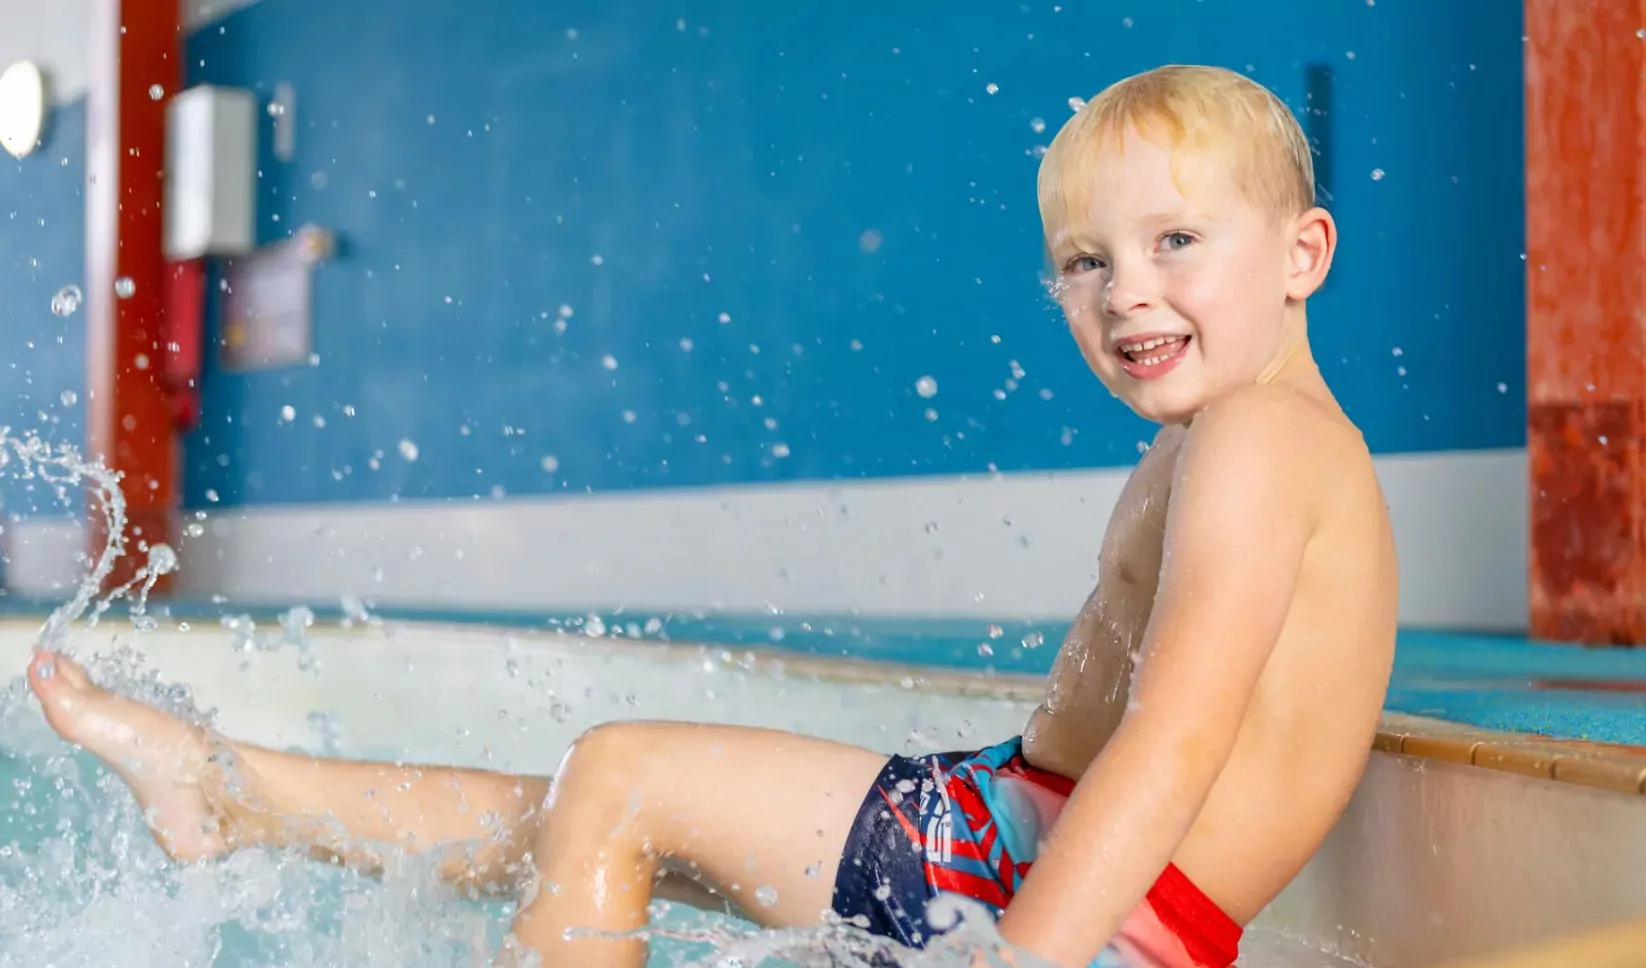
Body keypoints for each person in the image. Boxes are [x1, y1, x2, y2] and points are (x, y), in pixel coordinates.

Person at [26, 63, 1396, 968]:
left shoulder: (1262, 439)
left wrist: (1025, 960)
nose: (1125, 293)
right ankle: (242, 795)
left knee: (620, 780)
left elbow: (1175, 740)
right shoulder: (1236, 428)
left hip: (1080, 907)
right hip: (1005, 825)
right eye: (1086, 263)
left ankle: (244, 798)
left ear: (1302, 254)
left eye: (1175, 245)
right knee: (591, 803)